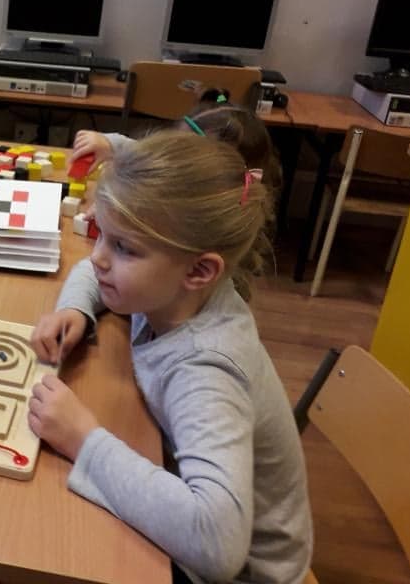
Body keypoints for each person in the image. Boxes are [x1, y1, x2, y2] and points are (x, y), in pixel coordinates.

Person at [28, 131, 312, 584]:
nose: (98, 258)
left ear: (199, 270)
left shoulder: (207, 370)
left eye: (123, 247)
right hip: (177, 481)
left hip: (233, 572)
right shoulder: (172, 292)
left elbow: (218, 545)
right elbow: (93, 271)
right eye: (101, 235)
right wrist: (76, 309)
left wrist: (83, 439)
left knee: (44, 534)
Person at [71, 88, 281, 191]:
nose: (170, 156)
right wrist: (108, 143)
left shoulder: (206, 214)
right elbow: (144, 151)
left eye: (182, 152)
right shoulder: (179, 166)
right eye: (174, 144)